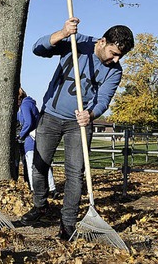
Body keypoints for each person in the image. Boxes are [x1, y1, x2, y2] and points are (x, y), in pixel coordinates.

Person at [21, 17, 134, 240]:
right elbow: (38, 49)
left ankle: (68, 222)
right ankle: (40, 205)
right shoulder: (77, 42)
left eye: (120, 56)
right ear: (102, 41)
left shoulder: (115, 71)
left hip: (79, 124)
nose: (115, 59)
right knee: (40, 165)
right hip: (51, 116)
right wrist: (62, 33)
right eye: (113, 53)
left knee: (75, 174)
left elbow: (103, 99)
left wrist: (90, 114)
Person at [16, 87, 56, 197]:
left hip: (30, 140)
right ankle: (52, 188)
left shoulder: (24, 105)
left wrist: (21, 135)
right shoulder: (30, 104)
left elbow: (28, 122)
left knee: (31, 165)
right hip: (39, 138)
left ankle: (35, 189)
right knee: (43, 163)